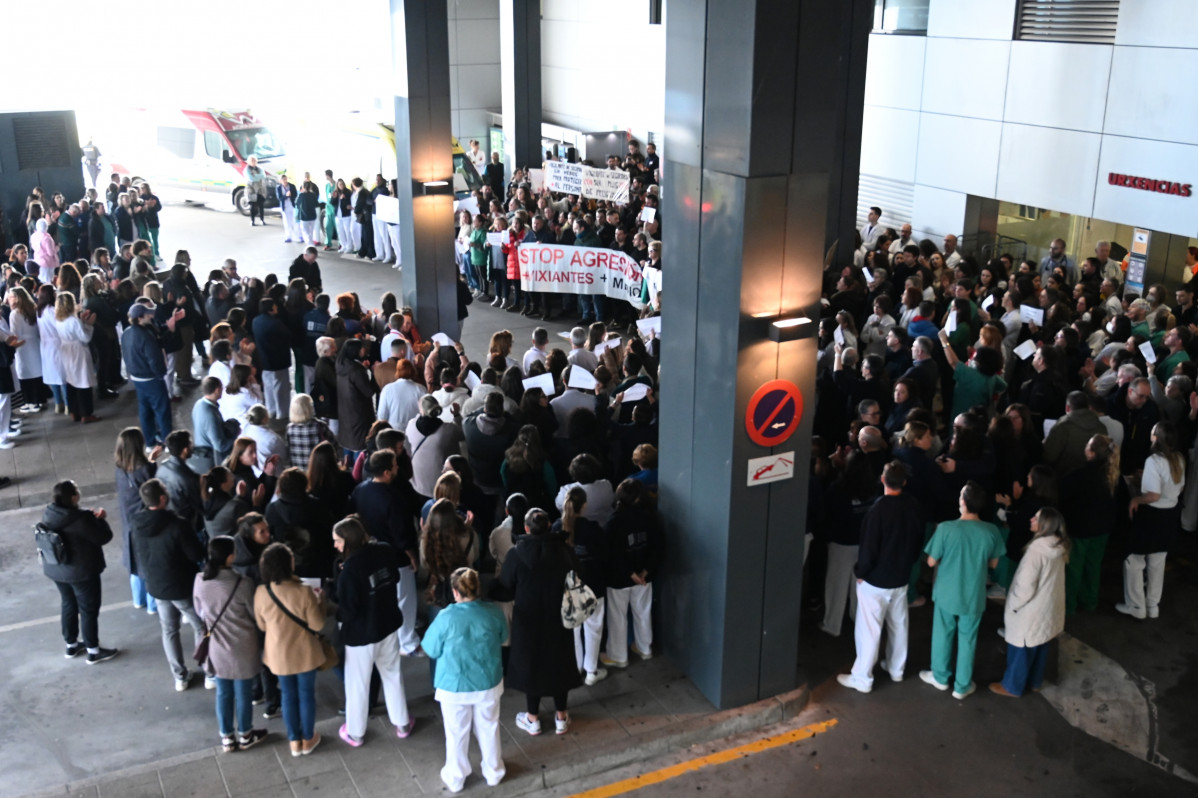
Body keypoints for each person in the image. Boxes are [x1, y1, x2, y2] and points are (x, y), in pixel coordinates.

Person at [836, 461, 925, 693]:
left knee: (869, 630)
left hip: (875, 580)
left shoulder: (877, 511)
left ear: (883, 480)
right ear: (904, 482)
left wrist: (861, 573)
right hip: (901, 577)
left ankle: (863, 677)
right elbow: (918, 541)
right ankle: (896, 669)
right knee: (899, 624)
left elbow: (869, 548)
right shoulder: (913, 505)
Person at [422, 567, 508, 793]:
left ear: (454, 592)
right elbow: (504, 637)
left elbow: (430, 649)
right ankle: (494, 771)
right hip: (487, 680)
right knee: (489, 727)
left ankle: (456, 777)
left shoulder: (445, 617)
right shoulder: (493, 612)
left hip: (454, 684)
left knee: (456, 732)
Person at [332, 516, 415, 747]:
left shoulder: (349, 570)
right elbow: (396, 577)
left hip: (361, 636)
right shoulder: (385, 551)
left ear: (348, 541)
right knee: (392, 674)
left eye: (338, 541)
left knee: (358, 684)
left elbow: (348, 610)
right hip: (388, 626)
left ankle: (356, 732)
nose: (335, 546)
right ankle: (402, 723)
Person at [919, 482, 1004, 700]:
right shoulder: (991, 531)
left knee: (943, 633)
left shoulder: (946, 528)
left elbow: (930, 562)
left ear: (962, 502)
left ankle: (939, 677)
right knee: (968, 638)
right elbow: (993, 565)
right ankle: (962, 686)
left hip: (947, 592)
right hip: (973, 595)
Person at [500, 508, 582, 736]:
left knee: (531, 663)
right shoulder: (564, 551)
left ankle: (532, 718)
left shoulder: (516, 554)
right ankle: (561, 717)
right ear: (548, 527)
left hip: (528, 618)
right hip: (558, 616)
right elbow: (578, 575)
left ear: (526, 529)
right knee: (560, 661)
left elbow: (505, 586)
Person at [193, 536, 269, 753]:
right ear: (229, 557)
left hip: (216, 646)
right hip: (243, 646)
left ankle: (227, 737)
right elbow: (254, 614)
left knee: (223, 693)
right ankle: (245, 734)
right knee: (244, 692)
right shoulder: (242, 583)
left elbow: (200, 611)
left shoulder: (200, 580)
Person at [130, 478, 207, 690]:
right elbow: (195, 554)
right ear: (163, 498)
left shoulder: (137, 523)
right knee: (200, 625)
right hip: (182, 585)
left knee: (169, 630)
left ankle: (179, 676)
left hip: (156, 586)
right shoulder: (177, 524)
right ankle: (209, 671)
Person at [254, 542, 325, 757]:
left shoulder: (261, 592)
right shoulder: (304, 592)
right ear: (288, 565)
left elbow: (262, 626)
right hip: (305, 653)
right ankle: (308, 738)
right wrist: (320, 601)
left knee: (287, 695)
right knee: (306, 695)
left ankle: (294, 741)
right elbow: (317, 625)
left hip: (278, 655)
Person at [989, 507, 1069, 698]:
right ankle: (1035, 682)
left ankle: (1012, 686)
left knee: (1021, 649)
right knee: (1040, 645)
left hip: (1030, 611)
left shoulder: (1036, 550)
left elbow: (1025, 587)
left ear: (1045, 525)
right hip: (1047, 608)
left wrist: (1014, 605)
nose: (1031, 518)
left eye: (1037, 517)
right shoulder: (1058, 547)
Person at [39, 480, 119, 663]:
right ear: (73, 497)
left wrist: (88, 517)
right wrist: (100, 520)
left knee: (68, 604)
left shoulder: (50, 513)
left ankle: (71, 645)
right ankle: (93, 650)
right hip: (81, 572)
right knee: (88, 609)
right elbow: (103, 537)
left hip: (56, 569)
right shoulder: (81, 519)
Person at [1119, 422, 1184, 620]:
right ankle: (1152, 605)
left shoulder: (1154, 460)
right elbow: (1178, 488)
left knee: (1134, 559)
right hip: (1170, 515)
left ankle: (1136, 605)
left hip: (1152, 516)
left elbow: (1153, 495)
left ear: (1157, 438)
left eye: (1153, 432)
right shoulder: (1179, 459)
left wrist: (1136, 499)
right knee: (1157, 560)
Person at [601, 479, 663, 669]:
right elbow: (658, 547)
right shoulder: (652, 517)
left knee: (617, 616)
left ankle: (619, 656)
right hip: (645, 577)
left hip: (619, 579)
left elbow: (612, 553)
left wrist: (629, 573)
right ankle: (645, 648)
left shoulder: (614, 521)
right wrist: (645, 571)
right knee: (643, 612)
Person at [556, 487, 610, 685]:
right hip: (593, 585)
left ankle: (576, 666)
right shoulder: (593, 528)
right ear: (584, 505)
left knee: (573, 630)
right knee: (594, 628)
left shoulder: (556, 528)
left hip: (568, 588)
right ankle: (591, 670)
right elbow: (604, 556)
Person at [122, 301, 181, 446]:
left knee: (145, 411)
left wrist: (168, 326)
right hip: (152, 379)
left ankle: (149, 443)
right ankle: (168, 442)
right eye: (147, 314)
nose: (151, 316)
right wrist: (161, 374)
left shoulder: (127, 332)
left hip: (137, 378)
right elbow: (154, 358)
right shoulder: (145, 336)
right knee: (162, 411)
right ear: (140, 318)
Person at [113, 427, 159, 613]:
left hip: (128, 521)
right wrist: (153, 462)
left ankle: (138, 600)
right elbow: (152, 487)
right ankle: (152, 604)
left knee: (134, 564)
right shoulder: (144, 469)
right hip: (145, 521)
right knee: (148, 564)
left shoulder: (120, 467)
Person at [54, 293, 101, 423]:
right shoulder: (73, 320)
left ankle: (74, 411)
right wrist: (89, 325)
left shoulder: (58, 319)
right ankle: (86, 413)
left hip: (66, 350)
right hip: (78, 351)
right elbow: (85, 338)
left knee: (72, 381)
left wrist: (83, 322)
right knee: (83, 381)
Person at [252, 298, 292, 420]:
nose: (277, 308)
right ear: (270, 308)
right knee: (281, 387)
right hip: (278, 360)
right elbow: (288, 336)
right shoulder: (276, 323)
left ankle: (271, 409)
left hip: (264, 359)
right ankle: (282, 412)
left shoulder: (256, 321)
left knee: (269, 386)